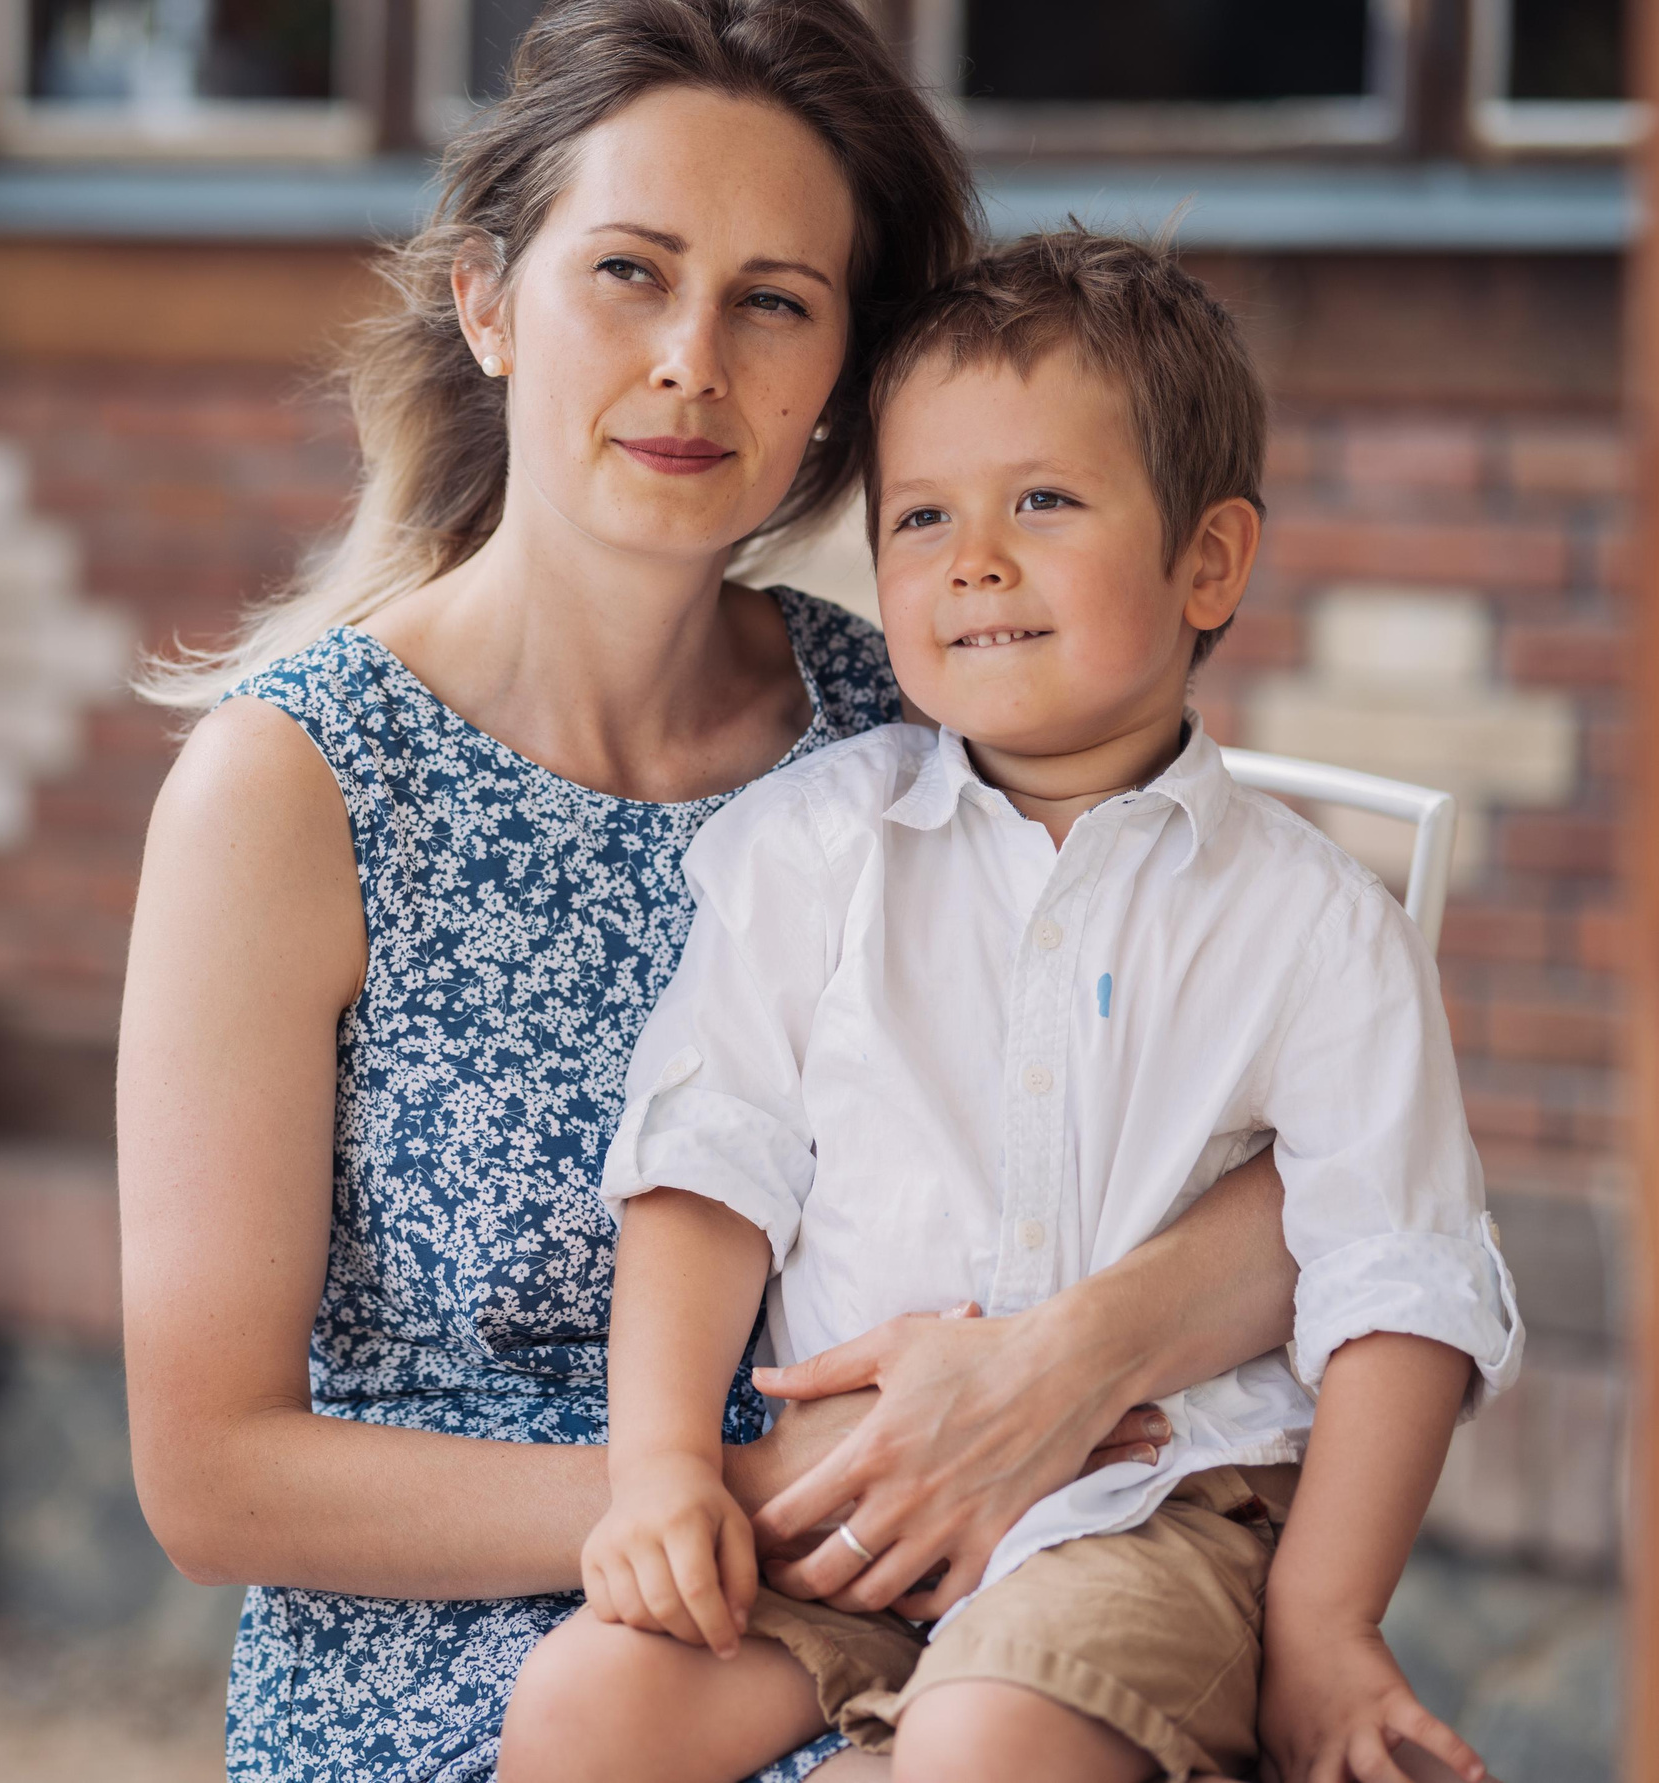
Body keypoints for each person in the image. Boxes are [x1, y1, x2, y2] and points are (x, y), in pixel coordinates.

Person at [117, 4, 1323, 1778]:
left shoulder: (913, 718)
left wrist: (1058, 1373)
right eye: (630, 272)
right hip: (448, 1665)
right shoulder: (292, 786)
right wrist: (745, 1486)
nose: (695, 359)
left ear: (843, 372)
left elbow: (1318, 1143)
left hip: (917, 1593)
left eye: (774, 301)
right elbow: (214, 1477)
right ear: (489, 304)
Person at [498, 232, 1526, 1783]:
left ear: (1210, 561)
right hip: (853, 1504)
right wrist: (656, 1471)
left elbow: (1401, 1293)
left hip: (1144, 1517)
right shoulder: (812, 849)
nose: (972, 556)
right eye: (922, 516)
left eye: (1041, 501)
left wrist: (1325, 1622)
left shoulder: (1322, 929)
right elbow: (705, 1169)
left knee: (980, 1745)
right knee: (587, 1708)